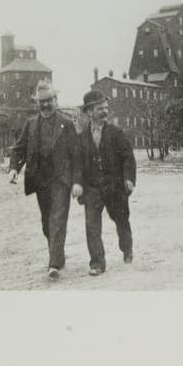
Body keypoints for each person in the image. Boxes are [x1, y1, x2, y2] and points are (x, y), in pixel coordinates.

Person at [8, 80, 83, 280]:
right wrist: (14, 168)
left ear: (55, 99)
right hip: (40, 180)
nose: (46, 105)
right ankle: (58, 254)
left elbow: (76, 154)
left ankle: (54, 264)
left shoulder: (66, 123)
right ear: (38, 103)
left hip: (61, 179)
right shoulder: (31, 124)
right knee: (46, 223)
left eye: (49, 100)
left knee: (57, 219)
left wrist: (77, 181)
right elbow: (19, 149)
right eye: (42, 102)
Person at [77, 89, 136, 275]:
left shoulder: (116, 133)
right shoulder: (81, 138)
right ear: (89, 112)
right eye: (99, 108)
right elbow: (77, 164)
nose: (104, 111)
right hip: (92, 188)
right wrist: (77, 183)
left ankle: (127, 249)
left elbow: (128, 157)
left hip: (115, 186)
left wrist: (128, 178)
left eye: (106, 107)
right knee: (91, 225)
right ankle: (97, 263)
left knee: (121, 221)